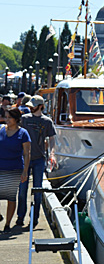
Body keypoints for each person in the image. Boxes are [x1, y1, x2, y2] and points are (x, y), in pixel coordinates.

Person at [17, 95, 56, 229]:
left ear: (40, 106)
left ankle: (34, 218)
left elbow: (51, 139)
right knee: (22, 190)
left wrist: (52, 153)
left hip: (39, 159)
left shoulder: (47, 121)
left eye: (33, 105)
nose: (30, 107)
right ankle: (20, 217)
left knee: (38, 190)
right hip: (23, 159)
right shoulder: (24, 119)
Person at [0, 107, 30, 231]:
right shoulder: (1, 130)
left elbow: (27, 153)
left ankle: (7, 224)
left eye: (9, 118)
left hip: (14, 169)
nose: (6, 120)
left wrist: (25, 172)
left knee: (10, 197)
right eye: (5, 117)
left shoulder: (23, 133)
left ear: (16, 119)